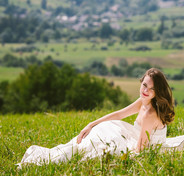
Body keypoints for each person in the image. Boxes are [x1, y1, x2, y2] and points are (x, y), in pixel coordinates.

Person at [19, 68, 175, 166]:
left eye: (152, 89)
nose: (146, 90)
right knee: (101, 130)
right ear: (141, 82)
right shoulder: (143, 101)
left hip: (143, 146)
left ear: (157, 93)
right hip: (134, 138)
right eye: (144, 85)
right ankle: (68, 151)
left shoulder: (150, 113)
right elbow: (120, 114)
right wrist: (91, 124)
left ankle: (59, 158)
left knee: (99, 144)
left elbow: (141, 149)